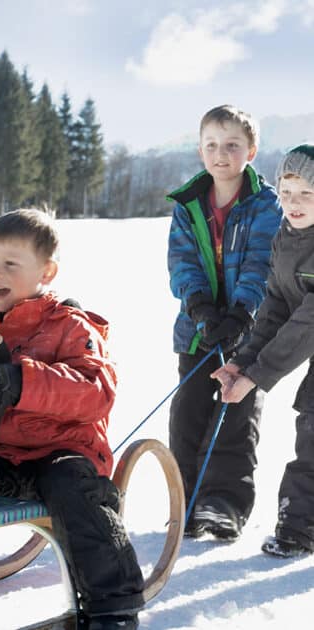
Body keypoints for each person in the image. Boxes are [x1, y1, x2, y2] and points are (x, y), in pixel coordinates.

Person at [0, 209, 145, 629]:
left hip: (58, 454)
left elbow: (96, 392)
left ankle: (114, 602)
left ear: (46, 271)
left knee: (71, 486)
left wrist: (23, 381)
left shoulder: (72, 327)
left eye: (10, 264)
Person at [167, 105, 282, 541]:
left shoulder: (265, 205)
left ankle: (223, 504)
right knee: (188, 417)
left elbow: (263, 263)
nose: (221, 154)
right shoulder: (187, 205)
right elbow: (181, 262)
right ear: (200, 150)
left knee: (234, 417)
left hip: (247, 334)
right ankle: (187, 502)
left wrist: (241, 314)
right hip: (196, 331)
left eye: (232, 145)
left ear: (250, 150)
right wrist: (199, 307)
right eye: (212, 145)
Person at [212, 144, 314, 558]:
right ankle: (300, 526)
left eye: (306, 193)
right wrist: (241, 361)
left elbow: (307, 320)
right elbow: (274, 307)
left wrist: (257, 375)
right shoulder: (286, 239)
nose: (293, 203)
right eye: (287, 192)